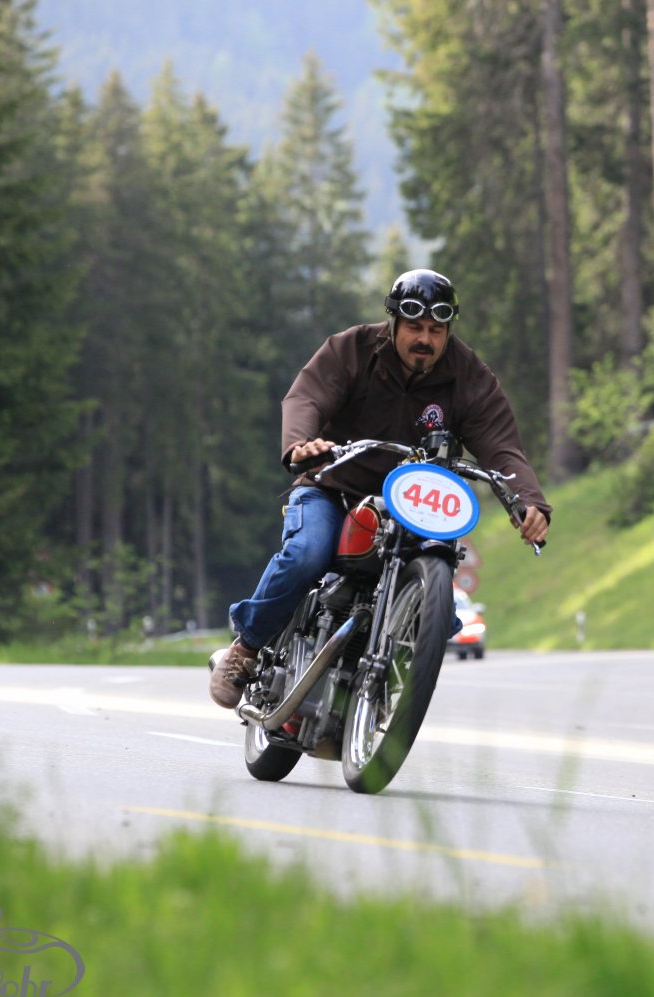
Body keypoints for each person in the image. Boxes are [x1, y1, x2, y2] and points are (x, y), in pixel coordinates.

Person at [209, 269, 552, 710]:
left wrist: (529, 501)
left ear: (448, 330)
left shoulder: (468, 376)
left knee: (440, 609)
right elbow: (306, 397)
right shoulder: (352, 348)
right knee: (307, 553)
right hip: (334, 489)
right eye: (414, 327)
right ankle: (247, 647)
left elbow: (501, 446)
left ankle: (380, 687)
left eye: (435, 330)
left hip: (414, 507)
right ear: (394, 322)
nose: (424, 339)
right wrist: (301, 445)